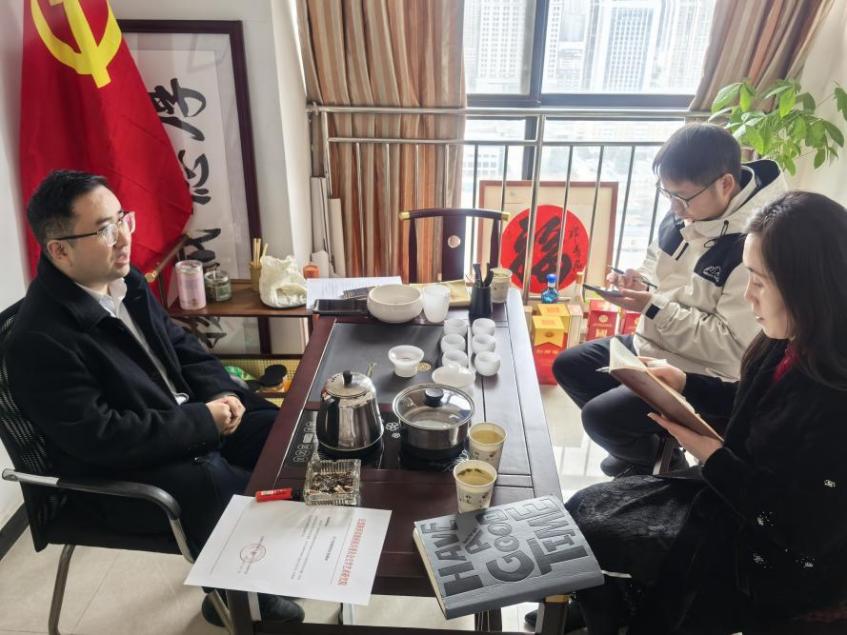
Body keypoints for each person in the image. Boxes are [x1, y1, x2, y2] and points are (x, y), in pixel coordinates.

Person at [6, 170, 304, 626]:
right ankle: (244, 599)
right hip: (114, 474)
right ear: (60, 250)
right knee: (212, 481)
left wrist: (223, 394)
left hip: (177, 422)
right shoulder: (39, 340)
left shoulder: (124, 281)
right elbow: (102, 437)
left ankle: (269, 559)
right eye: (104, 230)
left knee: (275, 428)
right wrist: (203, 422)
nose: (124, 237)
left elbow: (183, 348)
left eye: (122, 219)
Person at [562, 191, 847, 633]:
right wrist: (683, 382)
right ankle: (602, 601)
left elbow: (800, 529)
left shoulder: (835, 395)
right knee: (583, 507)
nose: (749, 297)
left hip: (773, 550)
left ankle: (612, 608)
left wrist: (711, 455)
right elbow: (750, 401)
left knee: (595, 526)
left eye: (759, 282)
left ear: (808, 285)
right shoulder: (789, 338)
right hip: (730, 491)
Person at [554, 123, 787, 478]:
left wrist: (652, 306)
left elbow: (729, 347)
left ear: (725, 184)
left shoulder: (755, 246)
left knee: (600, 418)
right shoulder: (688, 209)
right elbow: (658, 266)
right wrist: (638, 282)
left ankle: (662, 465)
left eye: (682, 197)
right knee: (569, 366)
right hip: (655, 341)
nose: (675, 208)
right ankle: (643, 453)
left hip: (702, 372)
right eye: (667, 194)